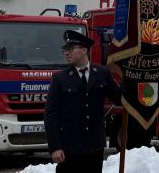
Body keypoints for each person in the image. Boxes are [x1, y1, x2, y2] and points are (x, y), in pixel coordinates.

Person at [45, 30, 123, 172]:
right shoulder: (60, 78)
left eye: (70, 49)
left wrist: (128, 75)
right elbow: (51, 116)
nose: (66, 53)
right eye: (65, 50)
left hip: (94, 147)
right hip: (69, 147)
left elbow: (119, 99)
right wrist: (55, 147)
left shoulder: (102, 73)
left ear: (84, 50)